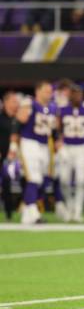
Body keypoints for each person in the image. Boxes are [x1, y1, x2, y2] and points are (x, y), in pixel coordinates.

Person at [16, 81, 57, 224]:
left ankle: (27, 211)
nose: (49, 94)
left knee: (46, 178)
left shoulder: (52, 107)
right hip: (29, 142)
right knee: (34, 178)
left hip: (45, 144)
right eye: (46, 90)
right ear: (37, 91)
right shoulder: (30, 103)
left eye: (50, 91)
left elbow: (54, 127)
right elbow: (20, 118)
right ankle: (33, 213)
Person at [57, 85, 84, 222]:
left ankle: (78, 211)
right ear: (71, 95)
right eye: (76, 94)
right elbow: (58, 130)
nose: (79, 97)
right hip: (67, 147)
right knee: (64, 180)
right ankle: (69, 207)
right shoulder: (62, 110)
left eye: (80, 94)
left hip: (82, 148)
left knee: (81, 181)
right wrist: (59, 145)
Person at [0, 91, 19, 220]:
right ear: (5, 102)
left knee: (28, 182)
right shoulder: (0, 118)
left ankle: (12, 213)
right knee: (5, 184)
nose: (16, 104)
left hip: (17, 157)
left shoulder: (19, 118)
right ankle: (8, 214)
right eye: (13, 101)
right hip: (2, 155)